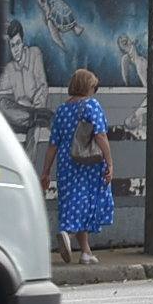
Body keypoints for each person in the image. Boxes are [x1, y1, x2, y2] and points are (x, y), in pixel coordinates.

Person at [43, 67, 116, 266]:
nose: (95, 90)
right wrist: (109, 162)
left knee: (73, 201)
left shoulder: (62, 110)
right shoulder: (91, 105)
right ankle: (68, 232)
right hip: (89, 163)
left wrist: (46, 171)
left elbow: (53, 144)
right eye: (94, 87)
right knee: (86, 202)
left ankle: (85, 252)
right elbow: (100, 135)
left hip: (66, 164)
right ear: (88, 87)